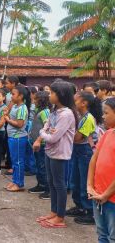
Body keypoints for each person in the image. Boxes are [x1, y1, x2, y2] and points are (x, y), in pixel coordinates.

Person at [34, 81, 77, 229]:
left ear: (61, 95)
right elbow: (47, 127)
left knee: (59, 185)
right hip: (50, 151)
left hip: (60, 154)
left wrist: (42, 133)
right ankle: (54, 211)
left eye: (52, 93)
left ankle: (60, 217)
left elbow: (53, 137)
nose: (49, 95)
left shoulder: (66, 114)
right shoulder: (54, 111)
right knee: (51, 182)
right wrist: (46, 131)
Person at [65, 91, 97, 225]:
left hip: (85, 152)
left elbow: (78, 138)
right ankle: (79, 206)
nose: (73, 103)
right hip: (77, 151)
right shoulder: (79, 115)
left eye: (75, 100)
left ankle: (90, 212)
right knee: (75, 180)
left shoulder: (88, 118)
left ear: (84, 103)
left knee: (85, 181)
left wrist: (63, 134)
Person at [87, 97, 115, 242]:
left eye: (106, 113)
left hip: (111, 199)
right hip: (97, 194)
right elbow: (94, 160)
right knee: (101, 233)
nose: (102, 116)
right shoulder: (108, 134)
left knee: (112, 236)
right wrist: (90, 186)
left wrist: (105, 195)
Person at [4, 85, 30, 192]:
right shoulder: (15, 106)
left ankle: (19, 183)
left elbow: (19, 124)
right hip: (12, 137)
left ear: (21, 96)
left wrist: (7, 119)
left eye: (13, 94)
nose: (11, 97)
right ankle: (15, 180)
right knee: (14, 161)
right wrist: (7, 115)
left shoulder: (22, 108)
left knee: (18, 161)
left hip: (18, 138)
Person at [28, 91, 51, 199]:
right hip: (37, 144)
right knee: (39, 165)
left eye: (35, 99)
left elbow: (47, 127)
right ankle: (40, 184)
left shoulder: (45, 112)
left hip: (42, 144)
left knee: (43, 167)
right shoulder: (38, 111)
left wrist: (38, 140)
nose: (34, 101)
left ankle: (47, 188)